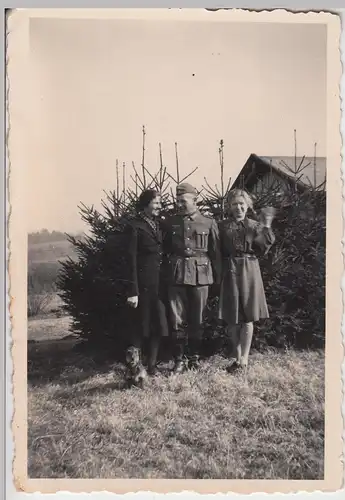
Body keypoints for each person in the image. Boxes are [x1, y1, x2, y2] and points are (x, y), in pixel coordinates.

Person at [162, 182, 221, 374]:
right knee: (176, 319)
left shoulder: (208, 222)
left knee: (198, 319)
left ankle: (194, 358)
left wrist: (218, 280)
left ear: (195, 200)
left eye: (184, 200)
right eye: (177, 200)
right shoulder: (170, 222)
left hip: (201, 275)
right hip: (176, 275)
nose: (179, 204)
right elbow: (164, 250)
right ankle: (179, 360)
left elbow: (215, 254)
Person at [218, 188, 275, 374]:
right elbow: (216, 250)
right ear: (229, 206)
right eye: (235, 204)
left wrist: (266, 225)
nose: (238, 207)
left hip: (250, 269)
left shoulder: (254, 226)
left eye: (242, 204)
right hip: (230, 269)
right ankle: (236, 355)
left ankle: (244, 359)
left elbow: (264, 246)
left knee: (248, 315)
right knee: (232, 317)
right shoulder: (222, 226)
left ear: (247, 205)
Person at [125, 189, 169, 381]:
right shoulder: (135, 226)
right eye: (156, 203)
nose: (160, 206)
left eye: (160, 203)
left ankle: (152, 366)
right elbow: (130, 259)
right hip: (142, 286)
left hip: (160, 285)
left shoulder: (159, 224)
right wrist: (132, 290)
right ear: (146, 203)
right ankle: (136, 369)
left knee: (158, 324)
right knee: (140, 326)